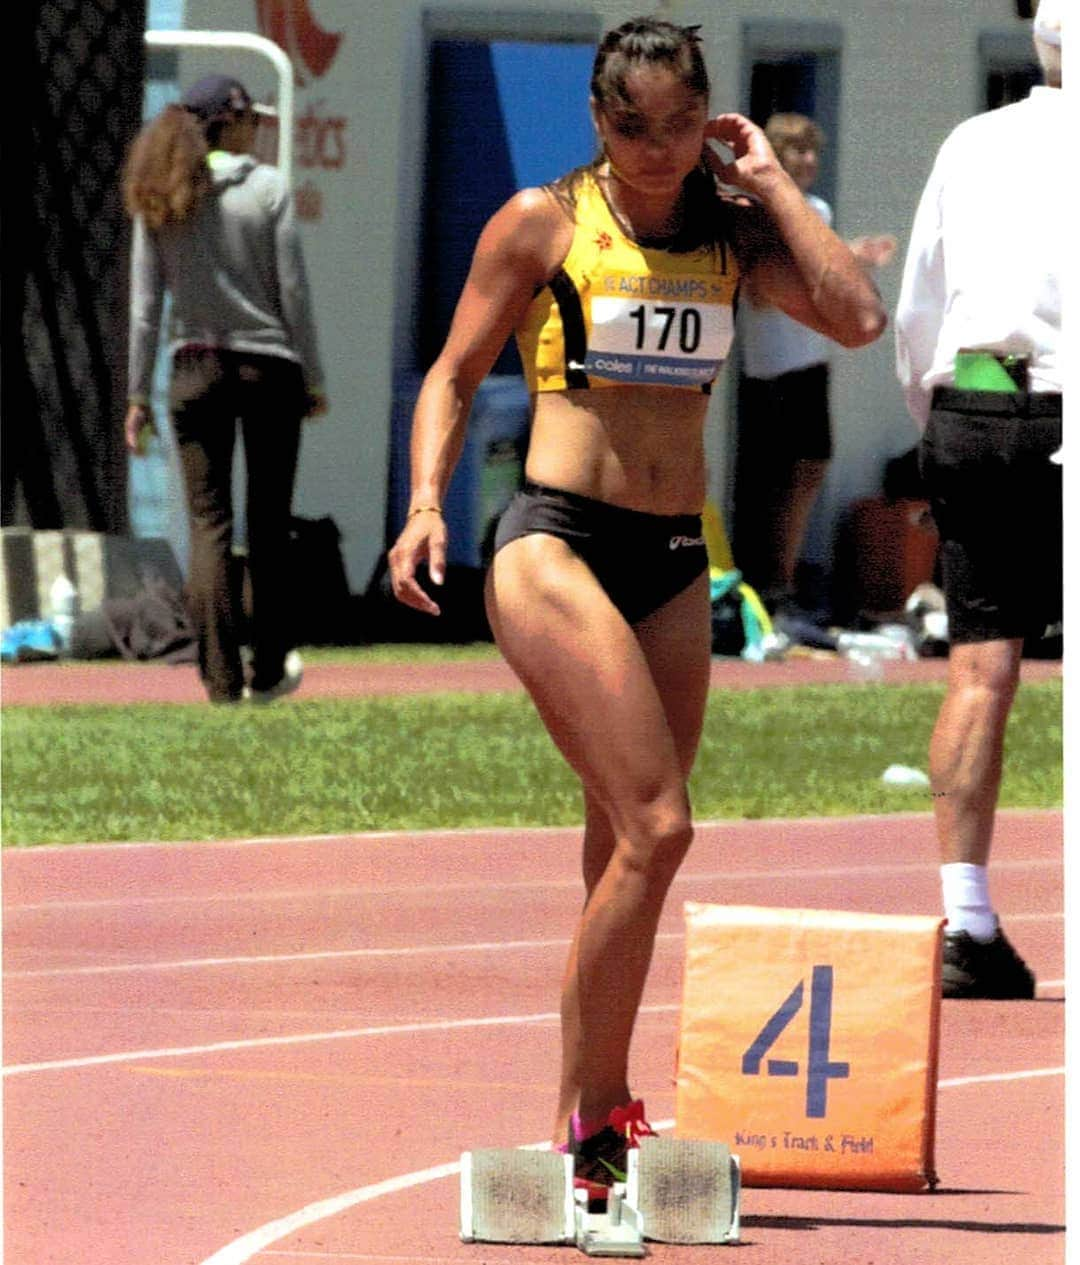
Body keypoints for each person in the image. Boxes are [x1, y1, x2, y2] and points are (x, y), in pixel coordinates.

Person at [388, 18, 885, 1197]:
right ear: (599, 122)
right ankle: (593, 1119)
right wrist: (422, 504)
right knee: (663, 825)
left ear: (708, 115)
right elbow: (455, 373)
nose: (657, 150)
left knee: (624, 844)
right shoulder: (543, 222)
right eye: (631, 127)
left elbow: (858, 317)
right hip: (553, 543)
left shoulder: (728, 232)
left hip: (669, 558)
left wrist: (769, 183)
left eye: (678, 126)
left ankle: (588, 1113)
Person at [895, 0, 1062, 999]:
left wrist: (937, 410)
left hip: (980, 401)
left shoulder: (976, 139)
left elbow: (922, 299)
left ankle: (966, 917)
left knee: (978, 666)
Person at [124, 74, 326, 704]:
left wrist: (135, 395)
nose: (259, 130)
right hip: (269, 368)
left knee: (208, 523)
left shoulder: (163, 190)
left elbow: (143, 307)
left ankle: (218, 680)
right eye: (253, 120)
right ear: (230, 123)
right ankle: (267, 670)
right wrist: (313, 375)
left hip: (193, 367)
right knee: (267, 522)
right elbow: (292, 290)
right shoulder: (266, 188)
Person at [735, 112, 896, 618]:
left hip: (810, 359)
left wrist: (853, 259)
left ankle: (785, 578)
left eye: (812, 152)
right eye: (796, 152)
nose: (806, 162)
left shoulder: (817, 210)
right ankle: (764, 583)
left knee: (810, 468)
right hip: (768, 364)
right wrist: (845, 261)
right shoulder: (759, 210)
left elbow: (818, 271)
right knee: (770, 477)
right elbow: (766, 290)